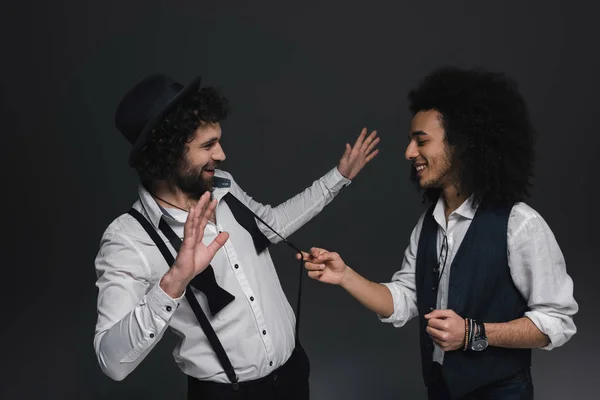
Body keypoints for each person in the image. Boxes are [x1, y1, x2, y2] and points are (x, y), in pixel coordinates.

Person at [93, 73, 379, 400]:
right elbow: (111, 361)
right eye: (208, 145)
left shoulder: (224, 187)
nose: (222, 154)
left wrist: (339, 177)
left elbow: (270, 225)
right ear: (167, 152)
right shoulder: (128, 238)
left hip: (293, 376)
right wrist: (174, 281)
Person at [299, 67, 578, 399]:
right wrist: (345, 276)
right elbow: (404, 300)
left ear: (461, 145)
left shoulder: (520, 224)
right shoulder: (427, 226)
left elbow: (556, 322)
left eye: (421, 141)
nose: (408, 153)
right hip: (440, 388)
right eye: (410, 141)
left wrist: (474, 333)